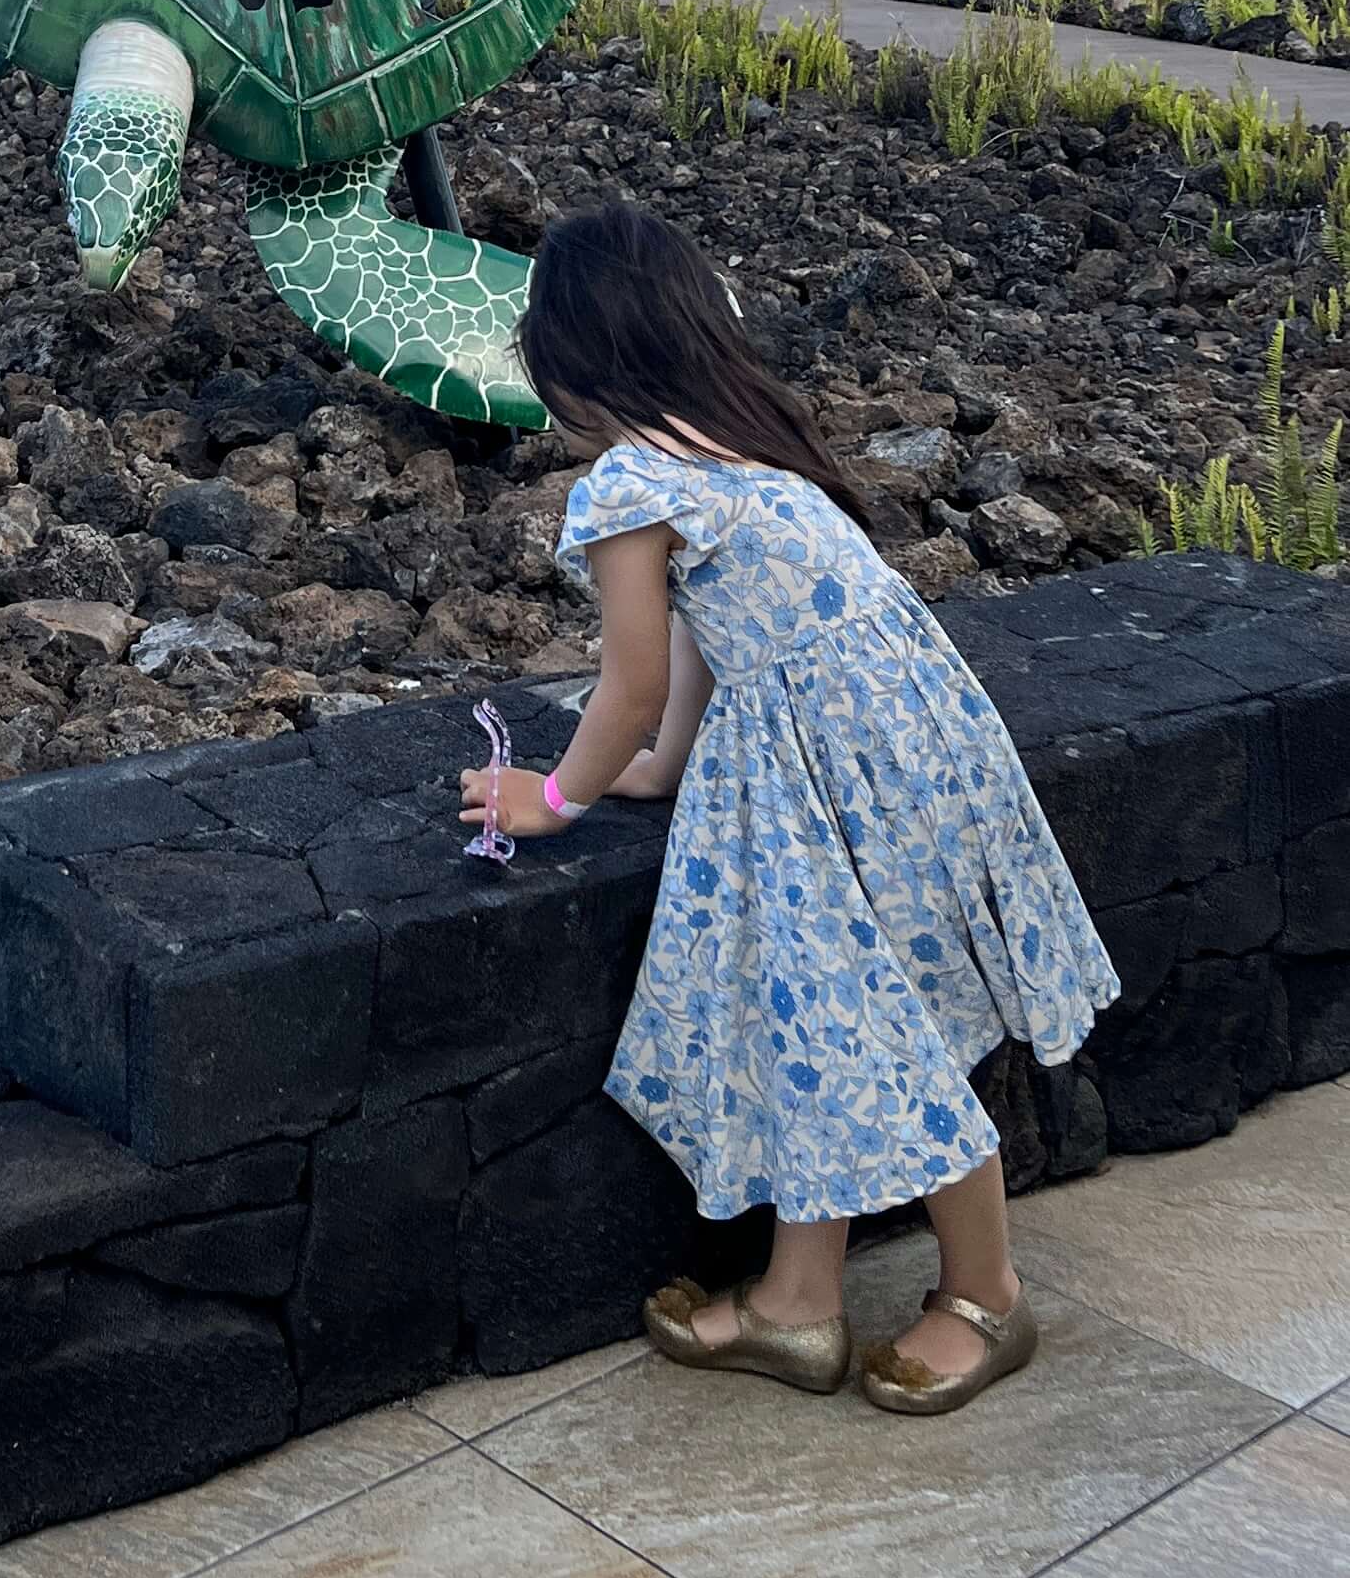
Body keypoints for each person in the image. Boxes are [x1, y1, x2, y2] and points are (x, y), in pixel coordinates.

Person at [458, 199, 1118, 1410]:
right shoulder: (737, 440)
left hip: (828, 769)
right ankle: (797, 1302)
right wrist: (661, 769)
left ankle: (989, 1294)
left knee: (878, 1029)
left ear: (567, 354)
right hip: (904, 746)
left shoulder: (628, 483)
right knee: (812, 1005)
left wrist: (554, 795)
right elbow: (712, 641)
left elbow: (636, 673)